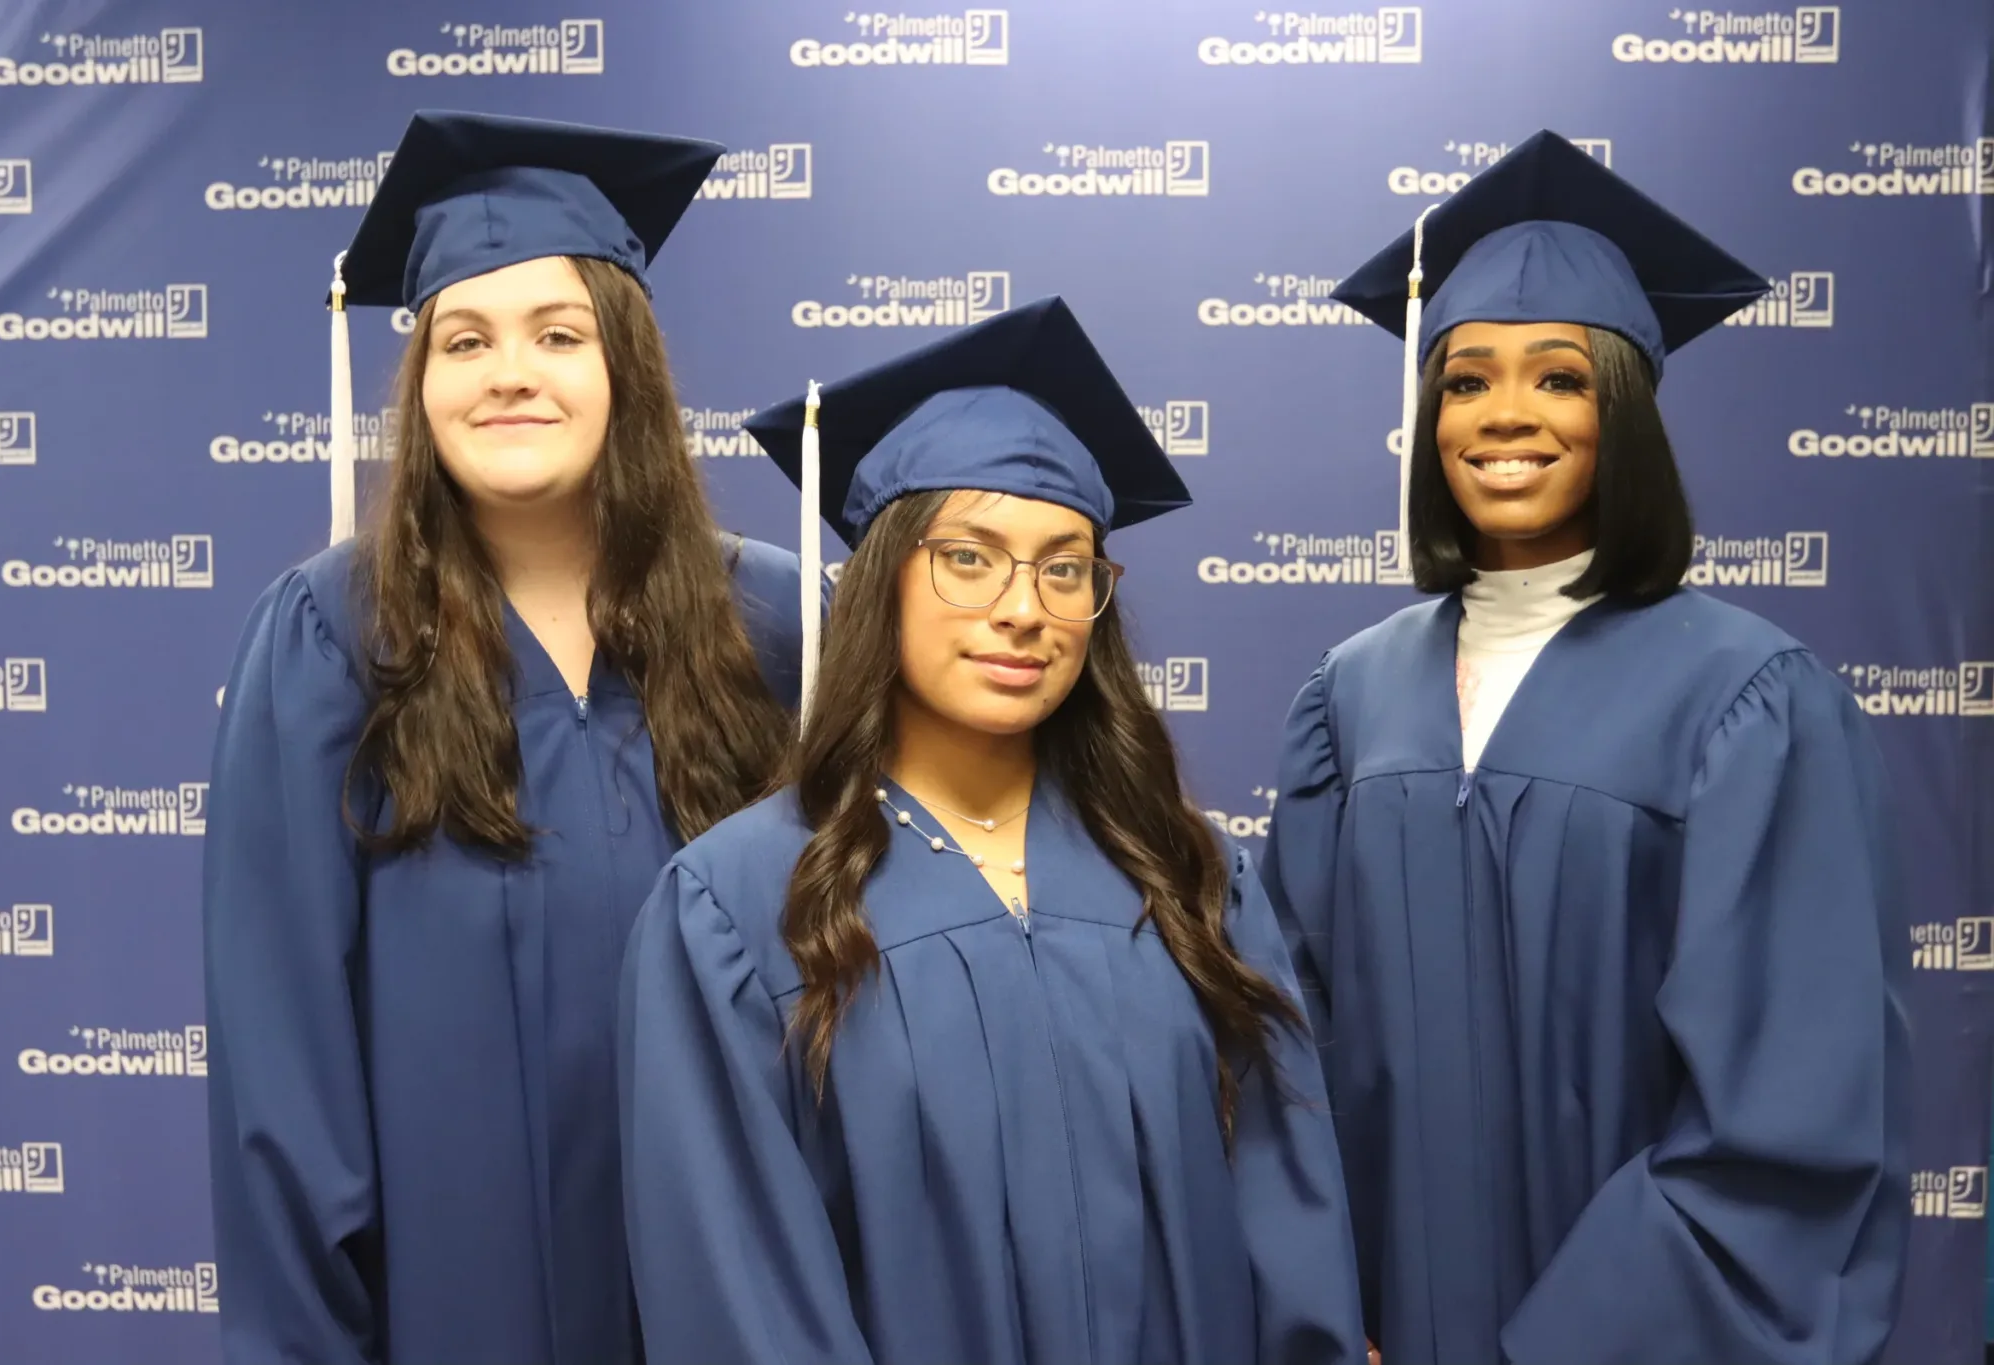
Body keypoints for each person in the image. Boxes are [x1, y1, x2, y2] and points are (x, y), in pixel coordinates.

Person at [617, 296, 1368, 1365]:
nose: (1024, 608)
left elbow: (1290, 1241)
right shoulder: (734, 911)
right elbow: (741, 1298)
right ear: (879, 583)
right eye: (967, 556)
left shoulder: (1189, 878)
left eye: (1063, 567)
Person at [1264, 130, 1911, 1365]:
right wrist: (1327, 1310)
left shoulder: (1746, 697)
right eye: (1462, 381)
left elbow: (1786, 1115)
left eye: (1557, 377)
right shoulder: (1350, 697)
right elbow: (1292, 1048)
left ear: (1622, 408)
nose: (1504, 413)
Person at [201, 110, 804, 1365]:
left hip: (736, 1293)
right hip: (452, 1304)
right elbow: (283, 1065)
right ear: (420, 387)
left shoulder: (776, 623)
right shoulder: (331, 638)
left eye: (557, 333)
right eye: (462, 339)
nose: (507, 372)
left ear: (624, 367)